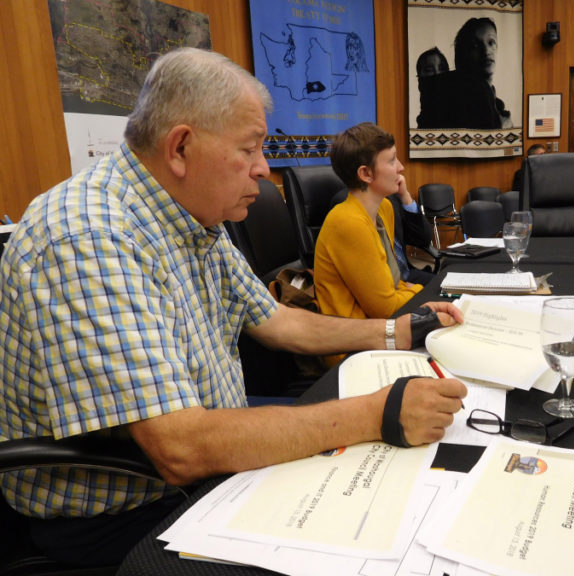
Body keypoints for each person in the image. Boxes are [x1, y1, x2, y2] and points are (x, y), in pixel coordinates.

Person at [0, 48, 466, 566]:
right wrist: (377, 414)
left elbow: (280, 321)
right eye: (250, 149)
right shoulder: (87, 235)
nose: (265, 169)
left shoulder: (195, 218)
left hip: (210, 461)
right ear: (180, 147)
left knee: (405, 504)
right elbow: (181, 448)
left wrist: (394, 333)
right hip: (123, 515)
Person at [314, 122, 425, 327]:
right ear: (366, 174)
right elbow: (386, 308)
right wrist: (420, 290)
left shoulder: (384, 208)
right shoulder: (348, 222)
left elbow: (391, 283)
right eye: (391, 161)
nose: (401, 167)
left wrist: (407, 289)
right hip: (352, 343)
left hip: (380, 328)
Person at [417, 17, 512, 130]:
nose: (486, 51)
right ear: (464, 54)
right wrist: (502, 125)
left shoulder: (496, 102)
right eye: (475, 46)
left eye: (491, 42)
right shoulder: (464, 96)